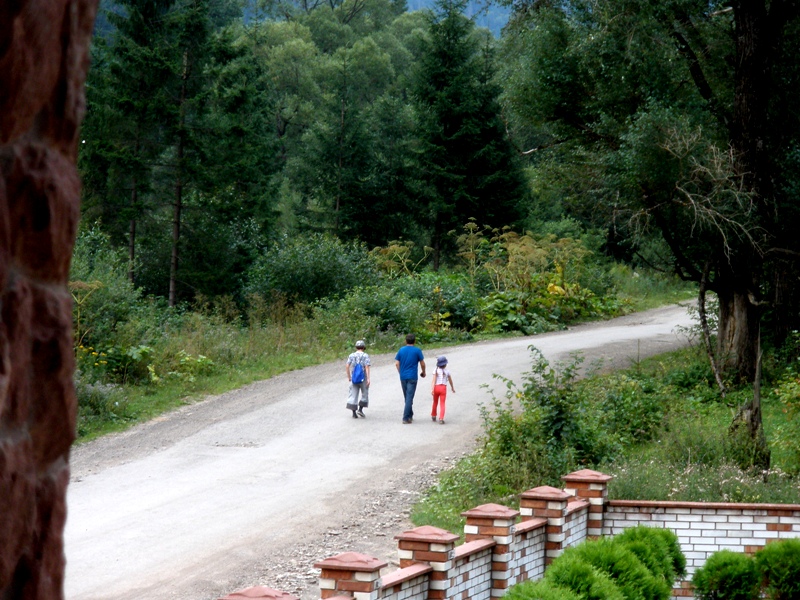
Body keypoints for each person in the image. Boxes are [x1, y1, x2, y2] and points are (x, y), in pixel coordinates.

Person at [395, 333, 425, 424]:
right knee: (409, 397)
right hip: (412, 376)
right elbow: (422, 363)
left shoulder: (401, 350)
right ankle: (405, 417)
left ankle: (410, 414)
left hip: (403, 377)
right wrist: (423, 372)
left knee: (407, 396)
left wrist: (400, 372)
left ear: (405, 341)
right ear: (414, 341)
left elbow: (397, 363)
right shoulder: (417, 351)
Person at [346, 340, 370, 418]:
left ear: (356, 347)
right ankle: (360, 409)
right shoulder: (365, 355)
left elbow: (347, 366)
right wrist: (368, 378)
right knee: (364, 393)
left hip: (354, 377)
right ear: (363, 347)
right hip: (363, 377)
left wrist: (349, 376)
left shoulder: (351, 355)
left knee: (353, 394)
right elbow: (367, 367)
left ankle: (354, 413)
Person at [430, 355, 455, 424]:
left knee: (435, 402)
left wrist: (432, 389)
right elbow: (450, 381)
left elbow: (434, 380)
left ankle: (433, 415)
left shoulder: (435, 371)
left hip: (436, 387)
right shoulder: (447, 372)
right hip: (443, 388)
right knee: (442, 403)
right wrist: (452, 388)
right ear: (445, 364)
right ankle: (441, 418)